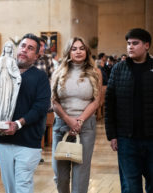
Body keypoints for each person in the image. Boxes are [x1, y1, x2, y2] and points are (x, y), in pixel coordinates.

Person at [0, 33, 51, 193]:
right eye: (23, 46)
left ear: (37, 55)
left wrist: (18, 124)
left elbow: (41, 107)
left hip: (28, 141)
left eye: (30, 48)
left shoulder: (40, 77)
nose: (25, 50)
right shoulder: (0, 69)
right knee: (10, 187)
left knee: (23, 185)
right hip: (3, 139)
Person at [105, 28, 153, 193]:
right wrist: (112, 134)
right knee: (131, 187)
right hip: (127, 139)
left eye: (135, 43)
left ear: (146, 45)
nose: (130, 47)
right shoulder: (119, 69)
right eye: (128, 43)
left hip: (151, 138)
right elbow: (109, 103)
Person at [51, 37, 102, 193]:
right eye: (74, 49)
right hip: (61, 125)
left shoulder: (95, 72)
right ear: (69, 52)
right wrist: (68, 120)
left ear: (86, 51)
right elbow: (54, 101)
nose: (78, 51)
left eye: (81, 48)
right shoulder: (58, 71)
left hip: (85, 126)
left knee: (81, 173)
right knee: (60, 175)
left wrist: (79, 121)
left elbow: (96, 101)